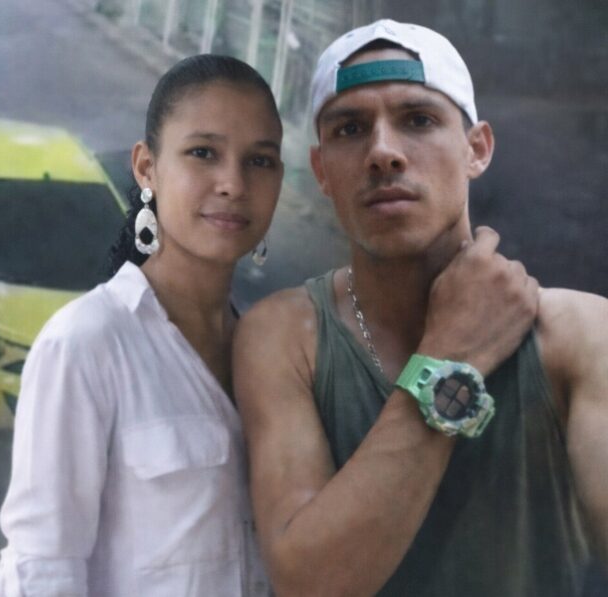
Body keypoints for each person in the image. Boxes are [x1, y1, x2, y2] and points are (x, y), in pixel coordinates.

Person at [233, 19, 608, 597]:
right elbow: (311, 582)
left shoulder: (579, 334)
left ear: (476, 149)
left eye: (418, 120)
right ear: (323, 170)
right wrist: (451, 355)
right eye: (350, 128)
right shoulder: (286, 335)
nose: (383, 152)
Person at [0, 54, 284, 596]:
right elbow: (42, 567)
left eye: (260, 160)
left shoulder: (272, 349)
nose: (233, 183)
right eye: (204, 153)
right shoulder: (86, 343)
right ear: (147, 167)